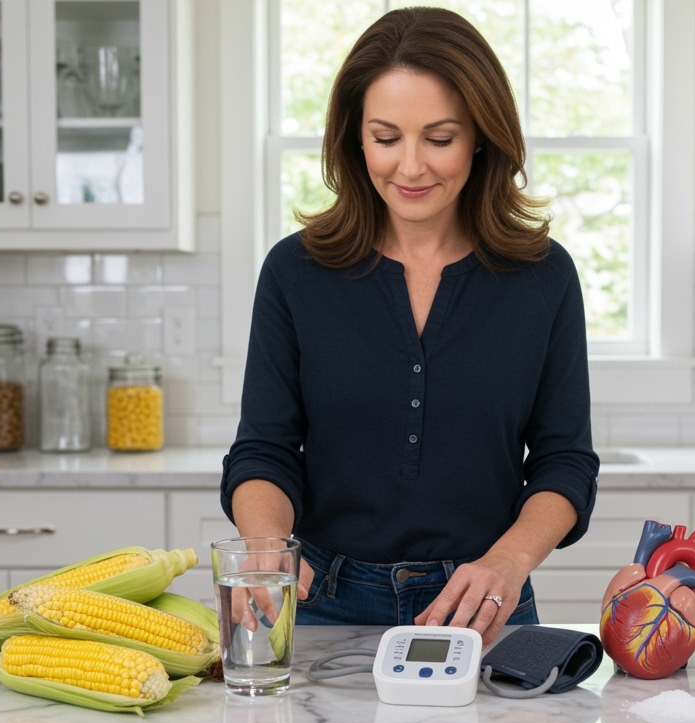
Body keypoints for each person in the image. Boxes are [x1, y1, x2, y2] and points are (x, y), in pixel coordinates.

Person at [220, 6, 598, 645]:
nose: (412, 167)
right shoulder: (294, 270)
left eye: (440, 138)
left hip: (483, 603)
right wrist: (265, 546)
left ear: (481, 135)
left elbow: (565, 462)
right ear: (354, 138)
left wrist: (511, 560)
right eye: (387, 138)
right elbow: (264, 449)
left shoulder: (543, 276)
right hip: (319, 603)